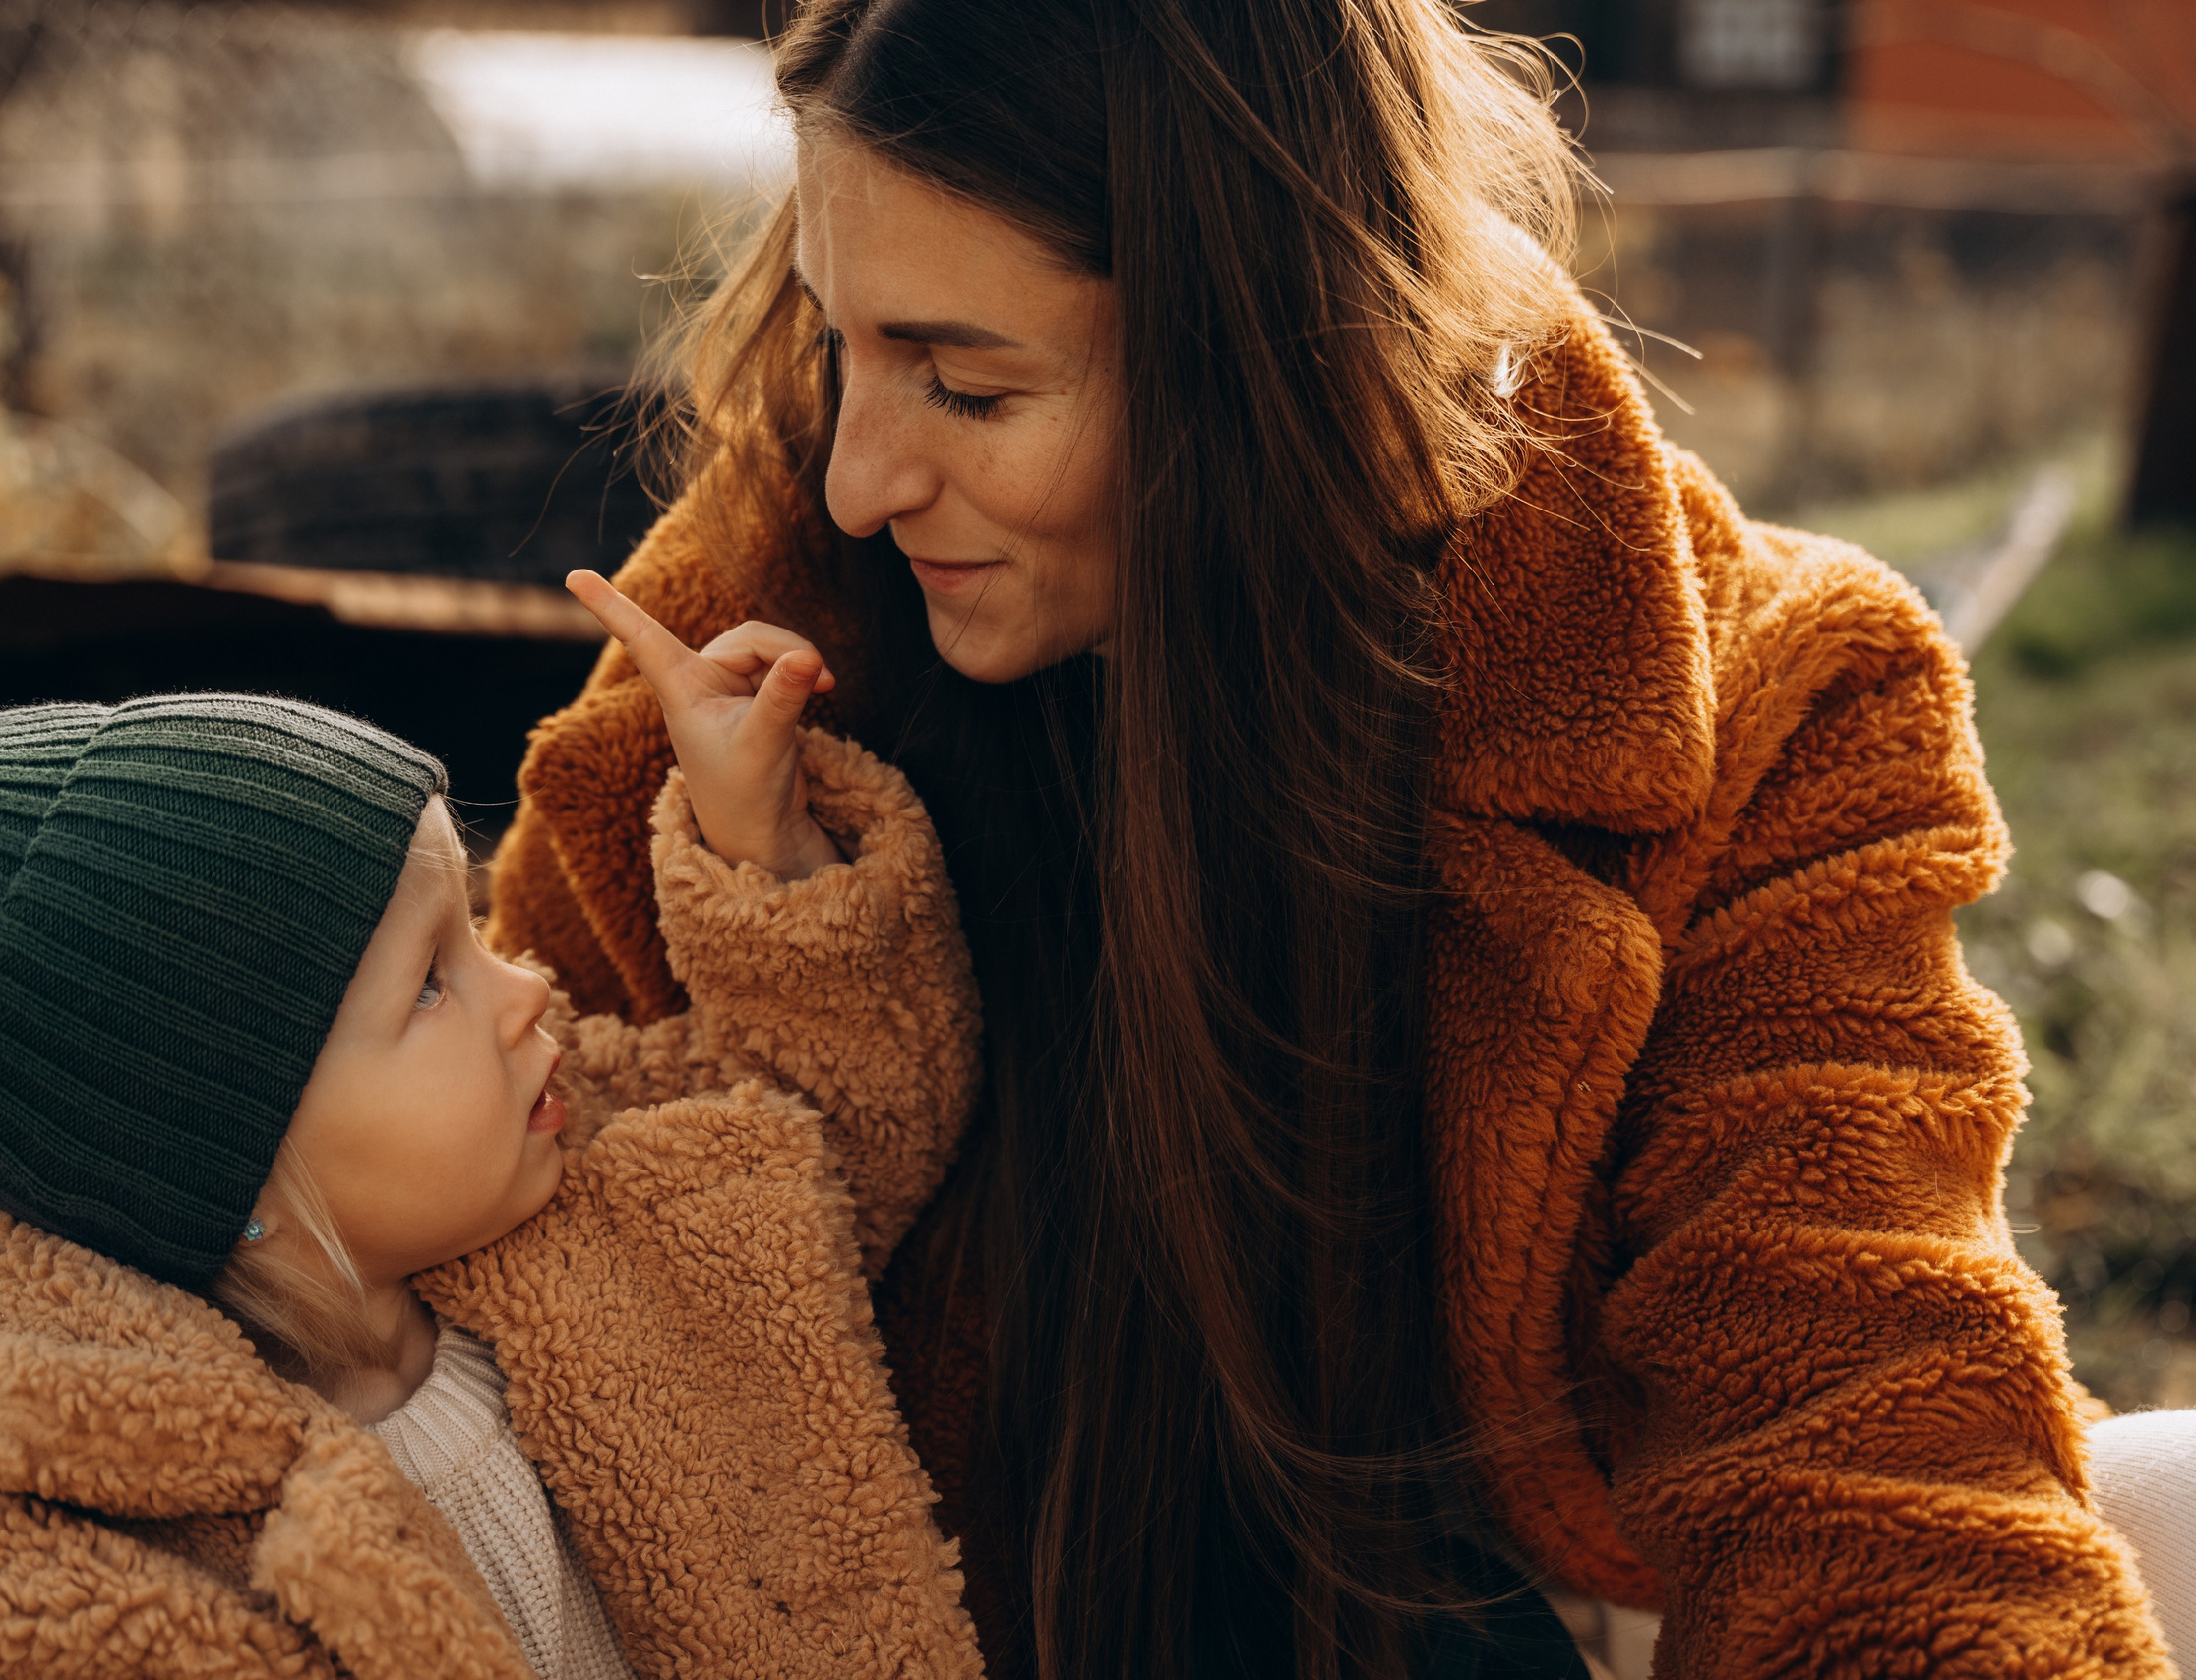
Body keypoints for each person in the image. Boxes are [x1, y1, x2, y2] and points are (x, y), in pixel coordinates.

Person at [482, 1, 2184, 1675]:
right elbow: (489, 1208)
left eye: (968, 387)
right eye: (842, 339)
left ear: (1271, 360)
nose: (859, 475)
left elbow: (1858, 1405)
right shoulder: (750, 641)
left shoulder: (1764, 712)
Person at [0, 686, 984, 1678]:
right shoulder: (17, 1601)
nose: (525, 988)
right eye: (432, 980)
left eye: (474, 931)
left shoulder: (605, 1198)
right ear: (215, 1158)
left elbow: (835, 1125)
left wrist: (767, 840)